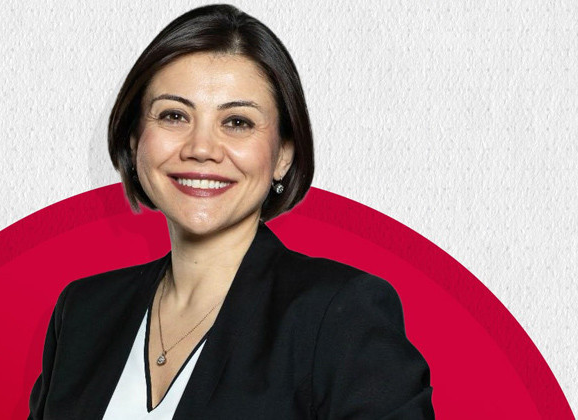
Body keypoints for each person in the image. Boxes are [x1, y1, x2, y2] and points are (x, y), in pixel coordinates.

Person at [28, 4, 433, 419]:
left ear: (283, 155)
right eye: (174, 115)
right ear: (135, 142)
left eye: (237, 122)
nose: (201, 148)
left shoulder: (339, 315)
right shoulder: (83, 312)